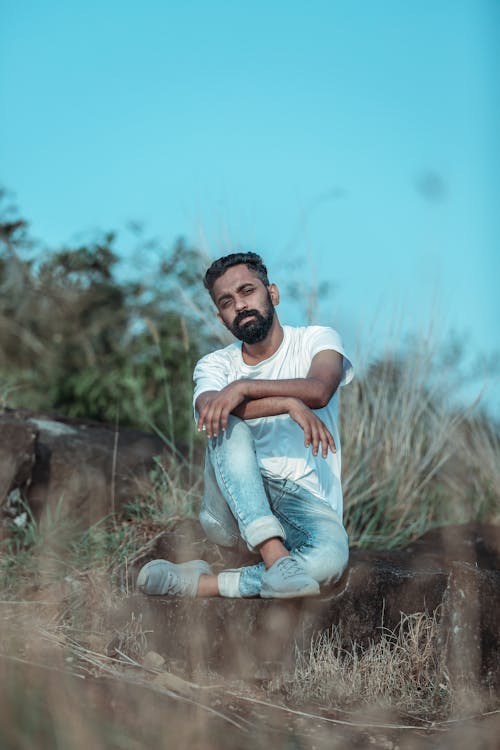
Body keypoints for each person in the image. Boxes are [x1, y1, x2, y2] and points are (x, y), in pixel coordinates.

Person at [137, 252, 353, 599]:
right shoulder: (214, 365)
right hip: (231, 509)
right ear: (221, 317)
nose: (240, 305)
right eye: (227, 301)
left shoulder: (317, 340)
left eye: (247, 291)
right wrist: (285, 402)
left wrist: (244, 387)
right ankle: (274, 557)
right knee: (226, 425)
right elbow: (210, 411)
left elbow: (319, 389)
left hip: (306, 504)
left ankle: (207, 583)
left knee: (330, 561)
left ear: (273, 293)